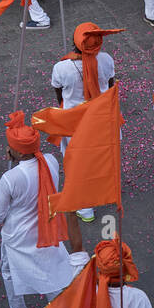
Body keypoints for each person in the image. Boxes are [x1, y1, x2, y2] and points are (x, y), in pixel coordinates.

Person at [0, 111, 83, 308]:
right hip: (46, 228)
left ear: (20, 153)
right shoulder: (50, 161)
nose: (7, 149)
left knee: (8, 271)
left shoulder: (10, 178)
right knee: (49, 272)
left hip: (18, 237)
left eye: (11, 146)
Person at [50, 21, 118, 221]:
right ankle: (102, 193)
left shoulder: (61, 68)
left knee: (76, 163)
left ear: (75, 42)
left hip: (74, 123)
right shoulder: (106, 60)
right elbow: (111, 86)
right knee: (100, 158)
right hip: (102, 119)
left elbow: (59, 93)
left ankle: (84, 207)